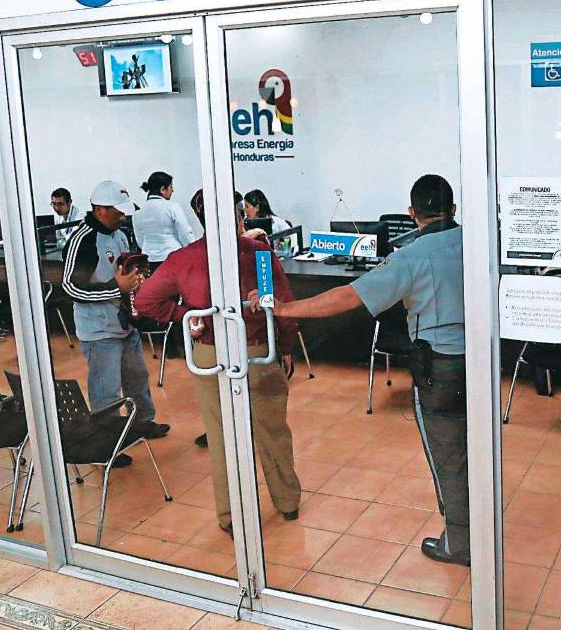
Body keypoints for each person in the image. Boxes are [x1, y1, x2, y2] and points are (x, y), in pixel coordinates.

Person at [259, 174, 468, 566]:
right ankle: (481, 528)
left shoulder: (411, 256)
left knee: (448, 456)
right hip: (482, 366)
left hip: (440, 370)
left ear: (412, 213)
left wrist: (283, 309)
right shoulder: (477, 244)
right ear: (453, 209)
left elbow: (348, 297)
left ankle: (460, 543)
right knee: (476, 448)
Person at [135, 190, 303, 530]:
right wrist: (286, 347)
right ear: (238, 215)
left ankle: (231, 516)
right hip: (256, 350)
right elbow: (282, 305)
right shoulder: (258, 254)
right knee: (271, 430)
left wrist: (189, 315)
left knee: (221, 434)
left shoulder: (183, 258)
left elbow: (145, 300)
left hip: (209, 355)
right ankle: (287, 502)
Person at [62, 180, 169, 462]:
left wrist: (137, 280)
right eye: (117, 211)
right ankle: (107, 446)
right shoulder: (83, 240)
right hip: (99, 331)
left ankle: (141, 424)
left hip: (124, 324)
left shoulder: (119, 234)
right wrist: (116, 288)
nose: (123, 216)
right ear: (99, 209)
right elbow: (71, 288)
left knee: (137, 379)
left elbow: (123, 271)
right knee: (106, 392)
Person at [132, 171, 196, 267]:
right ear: (162, 189)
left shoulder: (137, 214)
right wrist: (193, 252)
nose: (172, 190)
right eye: (171, 187)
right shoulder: (172, 207)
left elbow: (140, 240)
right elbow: (186, 233)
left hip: (149, 261)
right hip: (172, 259)